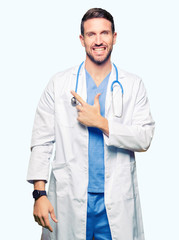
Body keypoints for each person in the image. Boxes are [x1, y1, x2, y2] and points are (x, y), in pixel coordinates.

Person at [27, 8, 155, 240]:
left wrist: (103, 123)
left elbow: (144, 137)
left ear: (114, 37)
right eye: (91, 34)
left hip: (114, 202)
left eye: (104, 33)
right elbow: (42, 141)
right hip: (70, 199)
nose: (98, 41)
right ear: (82, 39)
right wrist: (39, 194)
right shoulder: (59, 84)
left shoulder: (133, 85)